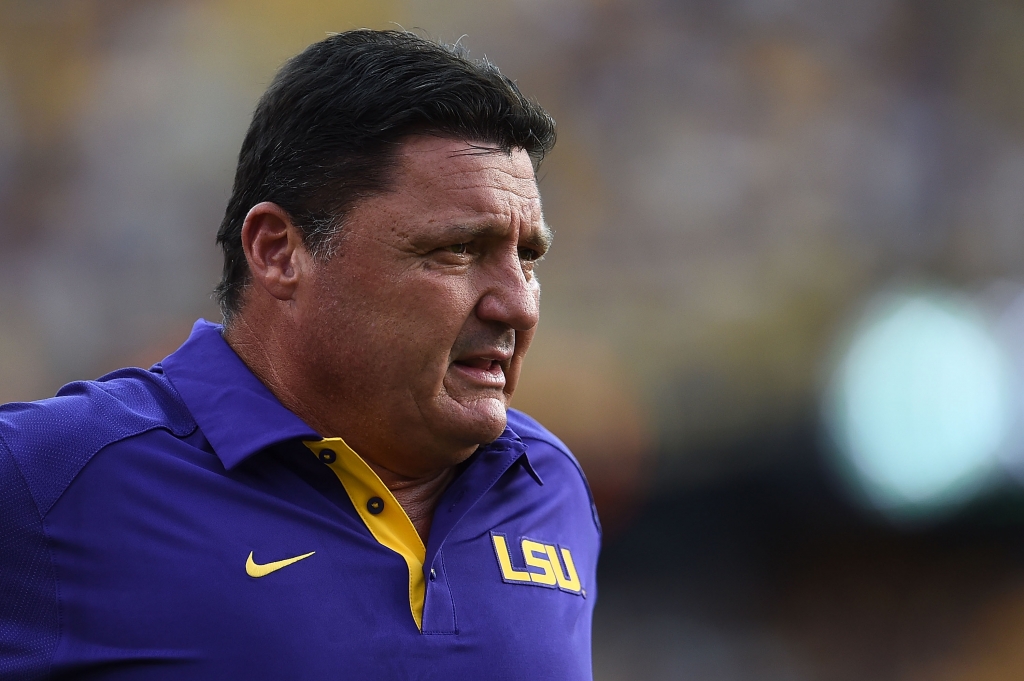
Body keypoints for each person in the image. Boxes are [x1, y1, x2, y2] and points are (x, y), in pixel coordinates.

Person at [0, 30, 600, 680]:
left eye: (528, 258)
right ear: (279, 252)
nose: (517, 304)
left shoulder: (550, 484)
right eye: (457, 250)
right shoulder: (50, 474)